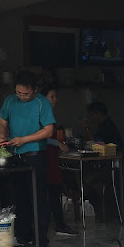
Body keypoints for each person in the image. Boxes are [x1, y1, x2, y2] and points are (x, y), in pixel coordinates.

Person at [0, 70, 55, 247]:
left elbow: (48, 131)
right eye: (19, 93)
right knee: (20, 199)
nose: (22, 97)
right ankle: (24, 237)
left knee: (37, 200)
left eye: (26, 94)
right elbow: (2, 122)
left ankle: (41, 244)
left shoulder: (42, 103)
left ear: (35, 90)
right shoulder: (10, 100)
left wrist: (24, 140)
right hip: (16, 157)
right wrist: (2, 135)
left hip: (35, 156)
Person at [41, 86, 79, 237]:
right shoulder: (42, 114)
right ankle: (59, 224)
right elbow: (42, 136)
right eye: (52, 96)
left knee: (54, 191)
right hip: (46, 157)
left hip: (51, 157)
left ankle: (58, 224)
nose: (55, 100)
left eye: (56, 96)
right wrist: (58, 144)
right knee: (52, 191)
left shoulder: (48, 114)